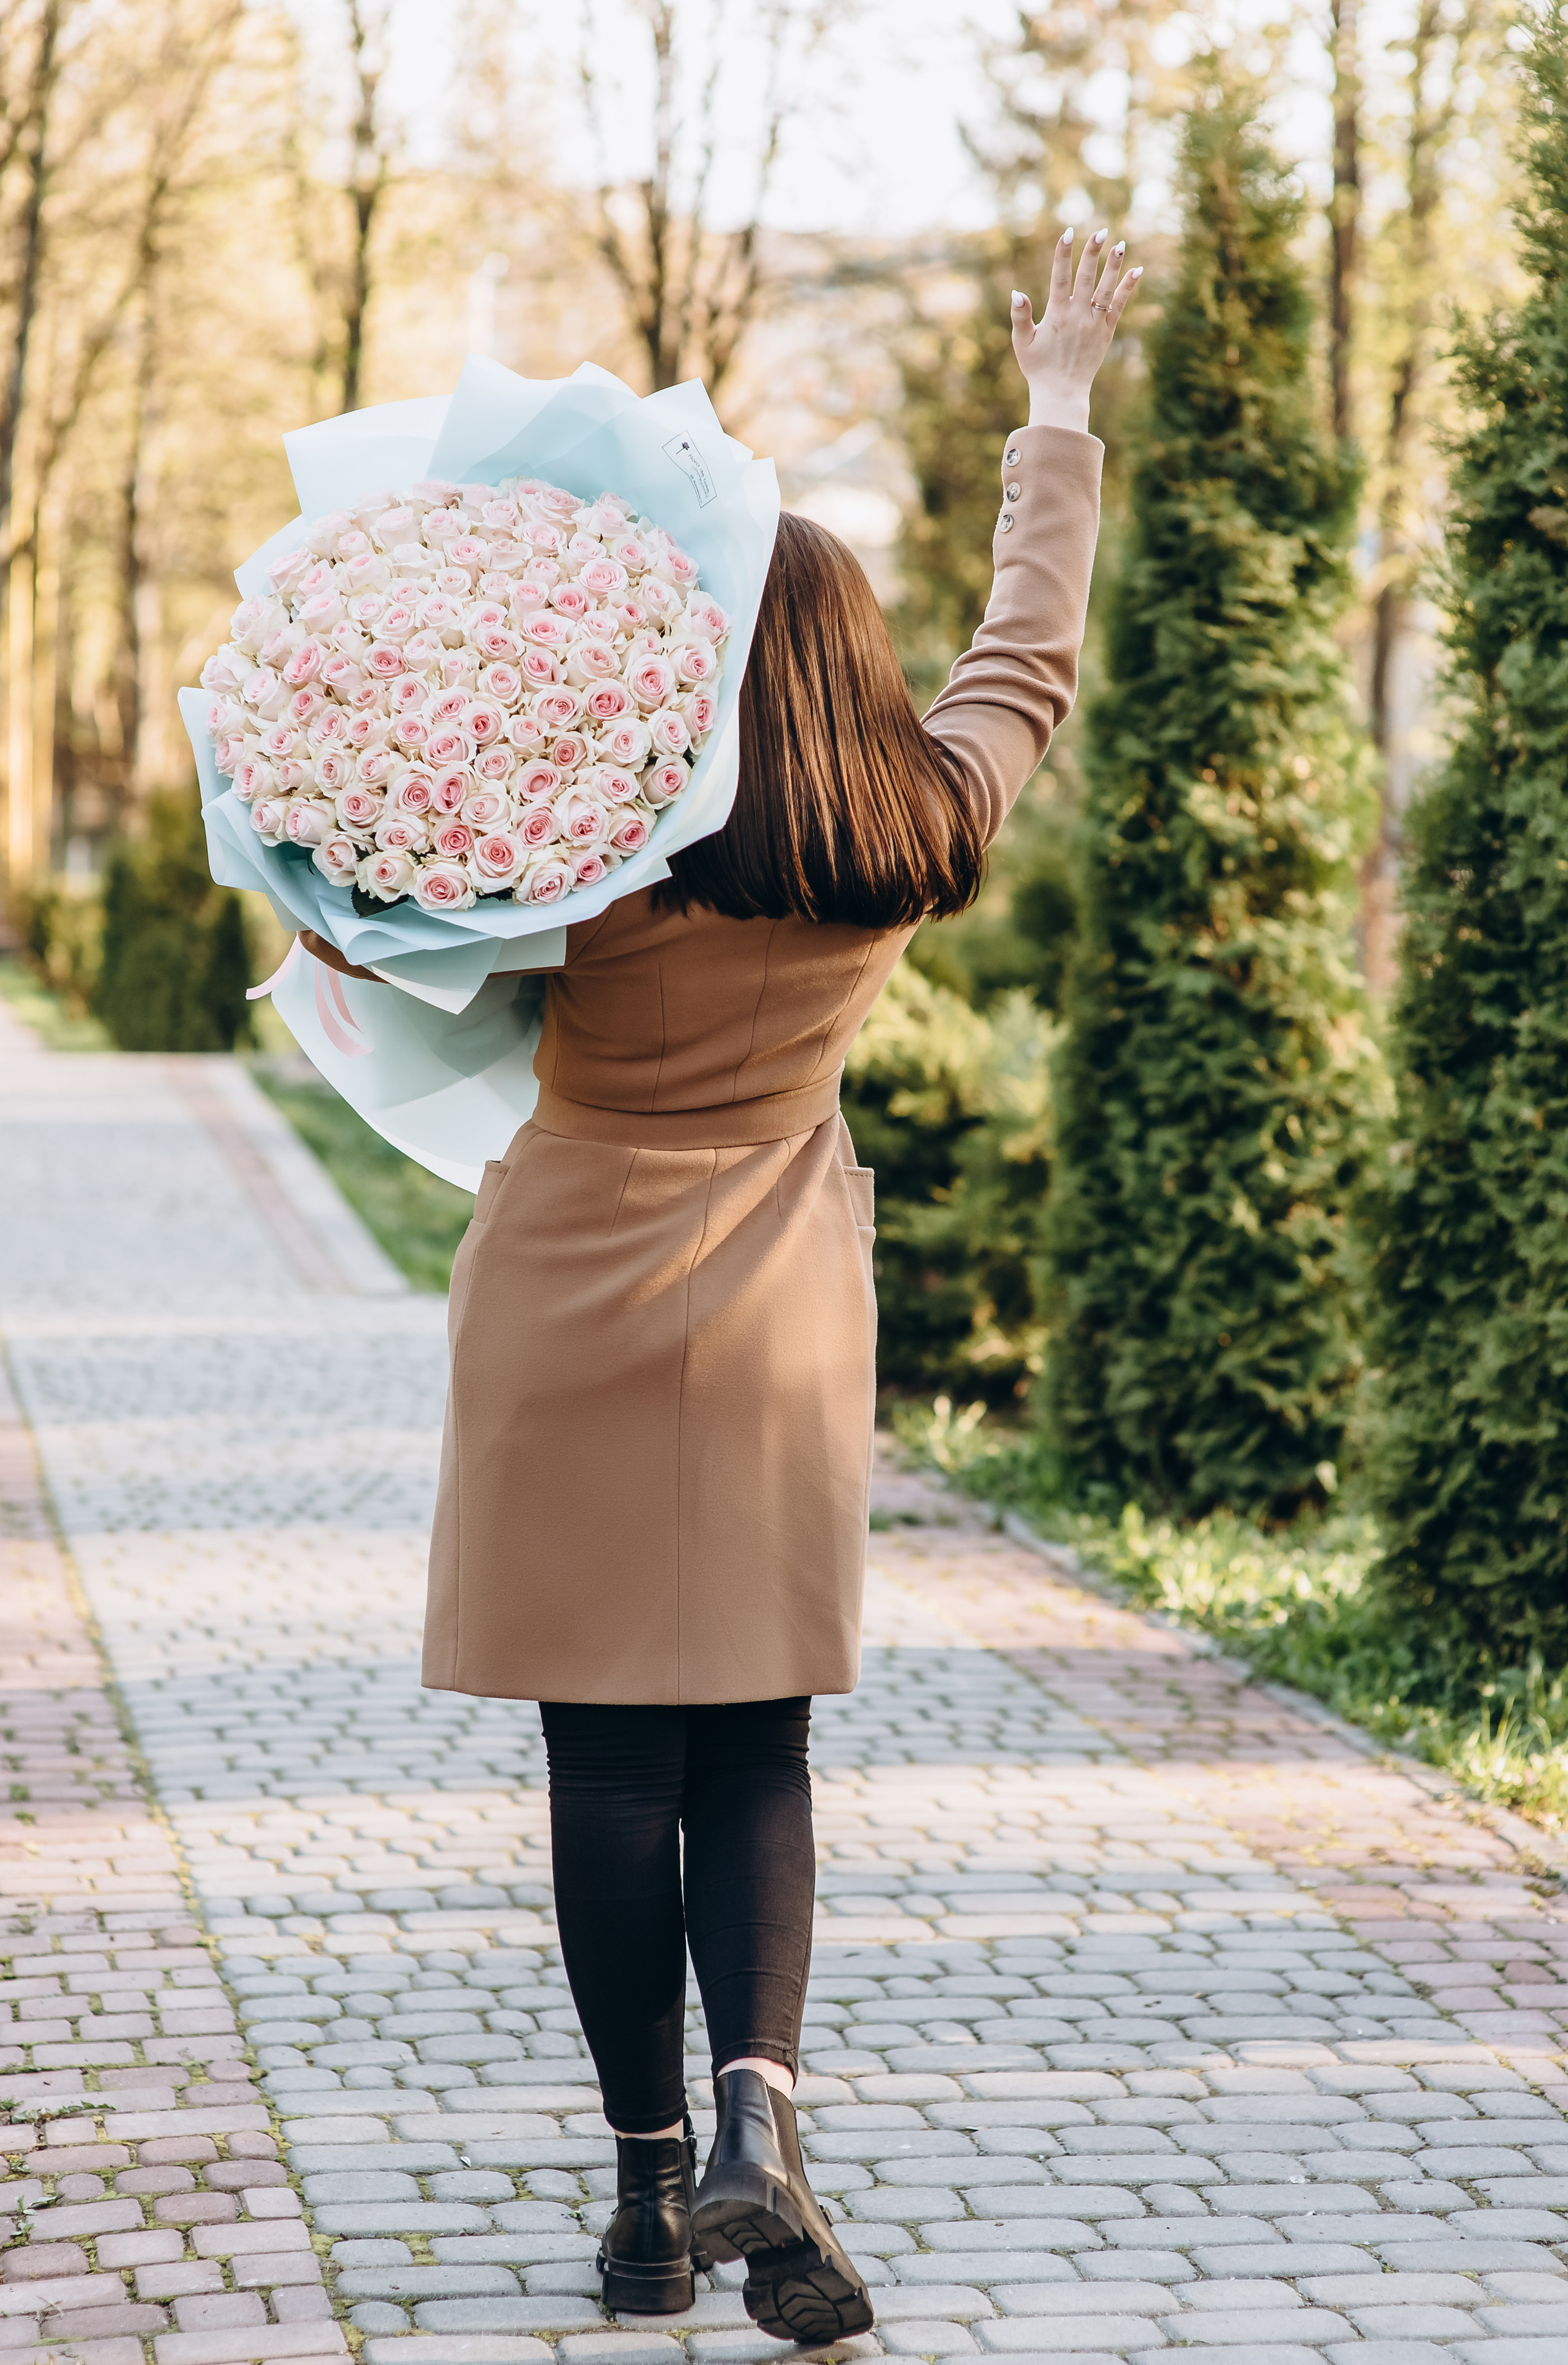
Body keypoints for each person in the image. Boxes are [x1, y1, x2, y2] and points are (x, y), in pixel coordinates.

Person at [304, 227, 1139, 2343]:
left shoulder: (586, 852)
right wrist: (1054, 426)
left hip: (567, 1293)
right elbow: (1024, 661)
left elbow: (376, 917)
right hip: (776, 1313)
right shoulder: (904, 838)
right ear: (855, 675)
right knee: (753, 1741)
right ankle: (768, 2117)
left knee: (608, 1758)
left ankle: (644, 2199)